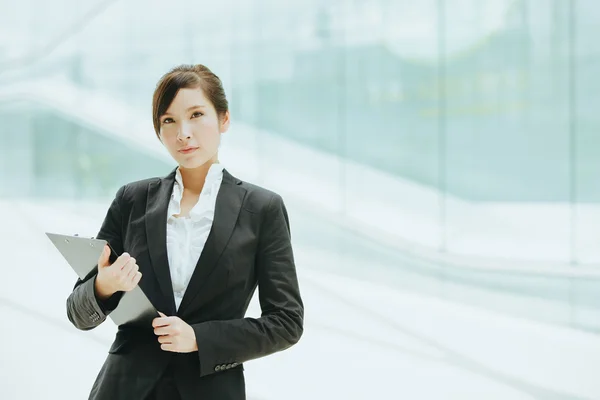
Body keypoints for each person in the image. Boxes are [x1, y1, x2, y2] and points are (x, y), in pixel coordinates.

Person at [66, 64, 304, 400]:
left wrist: (199, 338)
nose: (183, 133)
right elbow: (78, 312)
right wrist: (104, 287)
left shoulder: (261, 209)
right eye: (169, 121)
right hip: (123, 389)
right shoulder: (132, 200)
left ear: (224, 119)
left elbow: (286, 322)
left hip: (209, 388)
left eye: (196, 115)